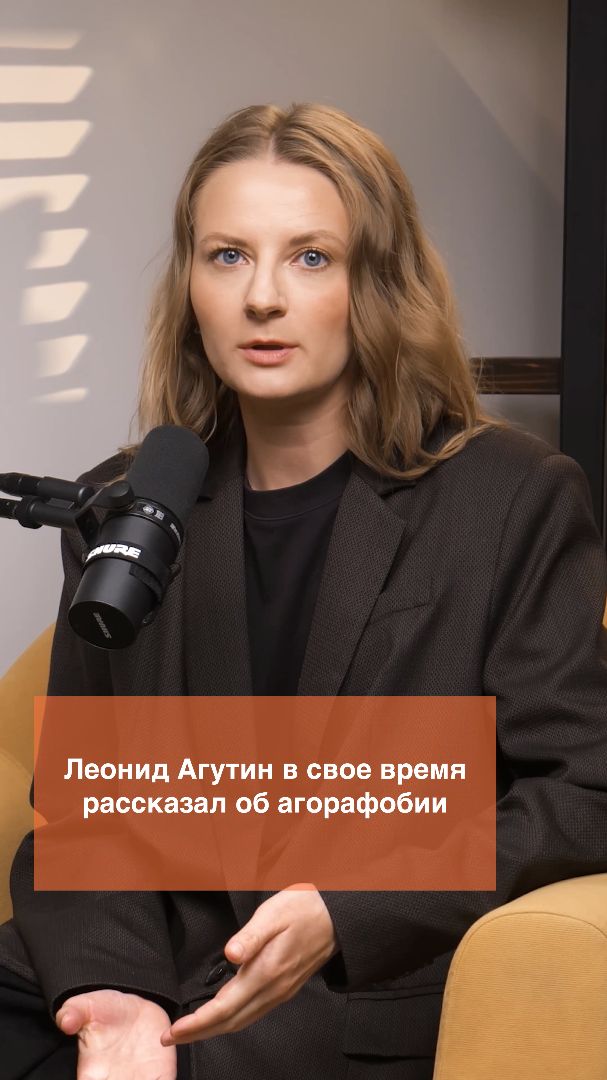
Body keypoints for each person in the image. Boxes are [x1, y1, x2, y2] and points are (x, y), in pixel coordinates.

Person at [0, 100, 606, 1080]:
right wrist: (115, 997)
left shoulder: (510, 499)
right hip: (133, 977)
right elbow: (83, 815)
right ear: (190, 284)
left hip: (345, 1001)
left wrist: (347, 910)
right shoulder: (128, 501)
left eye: (311, 257)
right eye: (228, 256)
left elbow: (584, 791)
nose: (262, 298)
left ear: (377, 283)